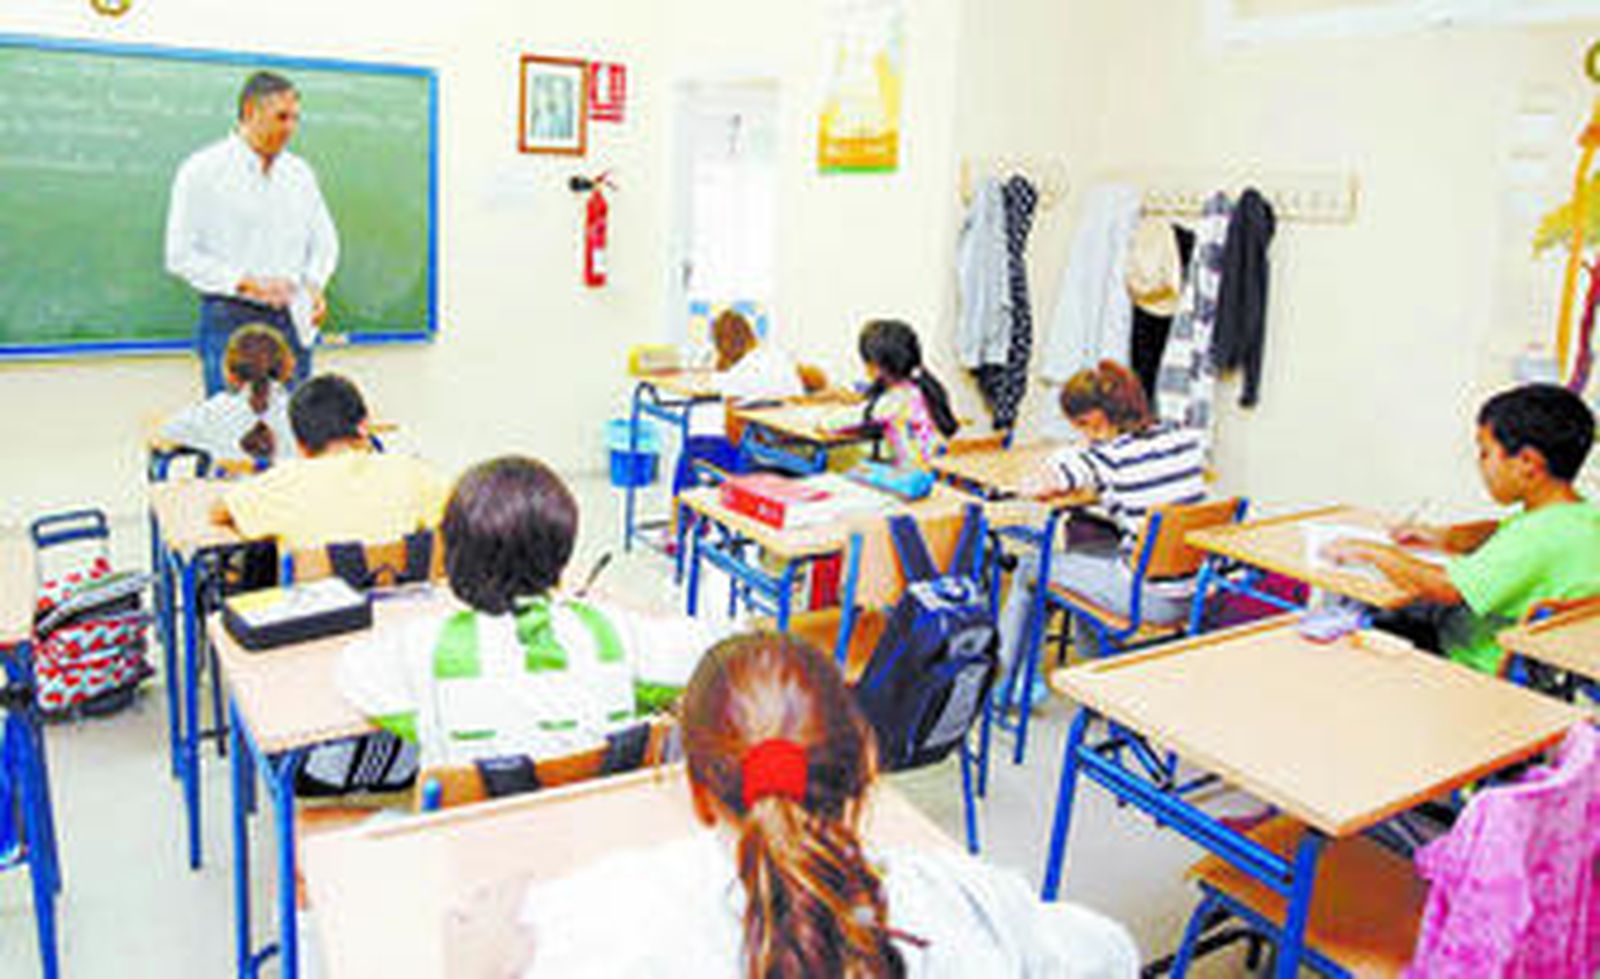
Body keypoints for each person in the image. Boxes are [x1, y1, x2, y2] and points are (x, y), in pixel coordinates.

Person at [515, 631, 1140, 977]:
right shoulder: (976, 905)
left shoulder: (593, 921)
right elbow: (1113, 955)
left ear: (700, 793)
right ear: (865, 772)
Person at [337, 455, 718, 767]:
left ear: (451, 554)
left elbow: (352, 672)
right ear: (564, 552)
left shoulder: (423, 647)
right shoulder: (612, 633)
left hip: (470, 849)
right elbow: (711, 649)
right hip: (593, 840)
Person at [1326, 383, 1600, 674]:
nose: (1480, 463)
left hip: (1471, 660)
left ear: (1527, 463)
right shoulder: (1577, 518)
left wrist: (1373, 552)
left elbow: (1447, 589)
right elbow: (1497, 531)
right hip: (1544, 670)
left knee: (1360, 621)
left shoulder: (1537, 538)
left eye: (1485, 453)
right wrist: (1442, 536)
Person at [997, 361, 1206, 678]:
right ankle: (1094, 672)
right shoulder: (1184, 439)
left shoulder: (1107, 457)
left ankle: (1002, 679)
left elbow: (1036, 486)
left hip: (1147, 597)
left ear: (1091, 420)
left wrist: (1071, 454)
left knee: (1030, 566)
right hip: (1194, 592)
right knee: (1081, 559)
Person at [166, 70, 339, 395]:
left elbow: (325, 243)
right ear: (249, 112)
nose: (290, 128)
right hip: (230, 320)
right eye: (281, 117)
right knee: (234, 432)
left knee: (294, 431)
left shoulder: (300, 174)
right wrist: (247, 282)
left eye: (295, 118)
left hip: (291, 320)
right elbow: (180, 255)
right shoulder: (202, 171)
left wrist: (315, 284)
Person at [216, 373, 449, 552]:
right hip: (405, 611)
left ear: (299, 443)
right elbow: (457, 512)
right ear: (364, 425)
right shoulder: (411, 473)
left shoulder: (283, 481)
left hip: (317, 612)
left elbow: (219, 512)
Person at [678, 310, 806, 494]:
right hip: (794, 453)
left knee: (690, 449)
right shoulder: (779, 357)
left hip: (758, 458)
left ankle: (682, 514)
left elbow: (733, 432)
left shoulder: (737, 375)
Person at [156, 323, 297, 468]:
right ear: (287, 366)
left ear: (229, 372)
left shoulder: (212, 410)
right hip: (289, 489)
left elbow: (162, 436)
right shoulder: (300, 411)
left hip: (231, 489)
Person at [859, 319, 960, 468]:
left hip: (915, 482)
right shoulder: (927, 389)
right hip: (941, 475)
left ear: (876, 367)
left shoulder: (892, 403)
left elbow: (833, 423)